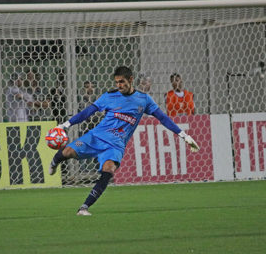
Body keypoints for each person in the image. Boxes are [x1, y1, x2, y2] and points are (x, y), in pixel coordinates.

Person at [48, 66, 200, 216]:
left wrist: (184, 136)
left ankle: (84, 207)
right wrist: (66, 124)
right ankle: (55, 161)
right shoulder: (109, 96)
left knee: (109, 169)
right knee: (67, 152)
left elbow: (163, 118)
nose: (119, 85)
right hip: (95, 137)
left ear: (131, 80)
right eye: (117, 82)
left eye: (122, 82)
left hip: (115, 145)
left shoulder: (144, 99)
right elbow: (88, 112)